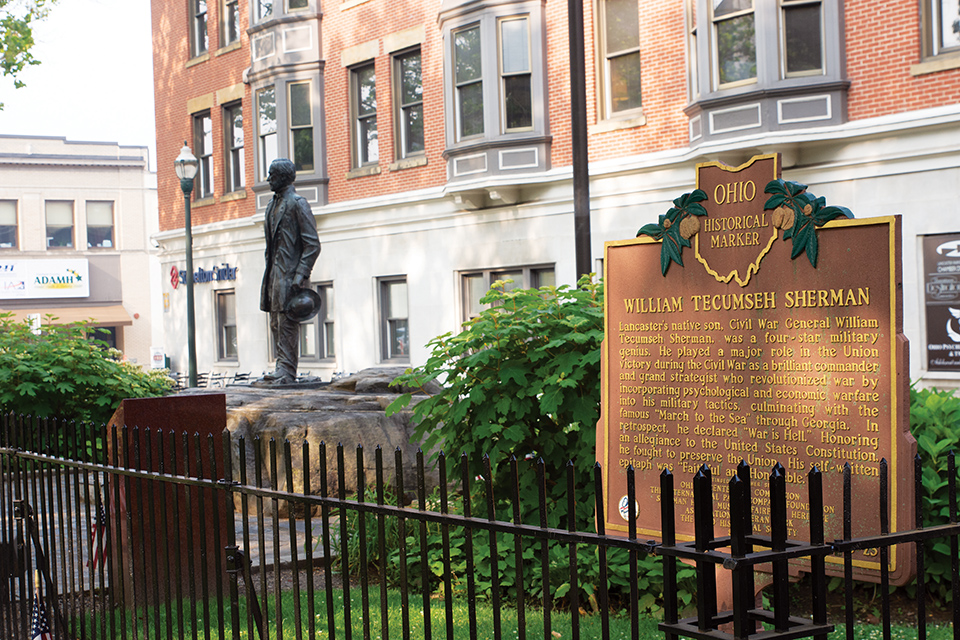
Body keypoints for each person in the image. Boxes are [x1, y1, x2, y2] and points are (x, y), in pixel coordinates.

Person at [258, 158, 321, 385]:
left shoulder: (298, 203)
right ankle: (280, 367)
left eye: (272, 175)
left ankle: (287, 371)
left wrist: (300, 275)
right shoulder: (271, 206)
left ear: (283, 177)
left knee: (287, 323)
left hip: (290, 276)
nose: (268, 180)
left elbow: (312, 244)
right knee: (275, 322)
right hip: (274, 274)